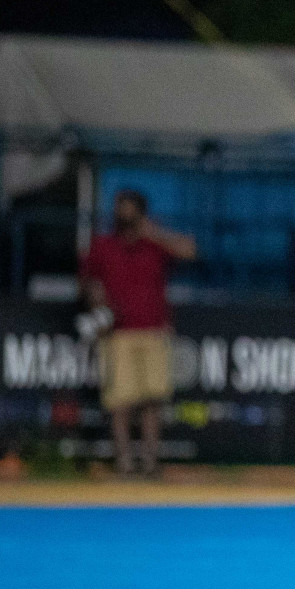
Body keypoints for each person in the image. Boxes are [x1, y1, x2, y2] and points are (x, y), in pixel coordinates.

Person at [78, 190, 197, 476]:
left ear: (141, 215)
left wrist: (154, 234)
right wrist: (98, 305)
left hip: (153, 331)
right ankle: (124, 462)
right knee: (120, 402)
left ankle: (151, 462)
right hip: (118, 333)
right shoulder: (103, 245)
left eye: (130, 212)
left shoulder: (154, 244)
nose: (124, 218)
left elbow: (190, 251)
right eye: (120, 211)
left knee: (152, 401)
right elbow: (87, 282)